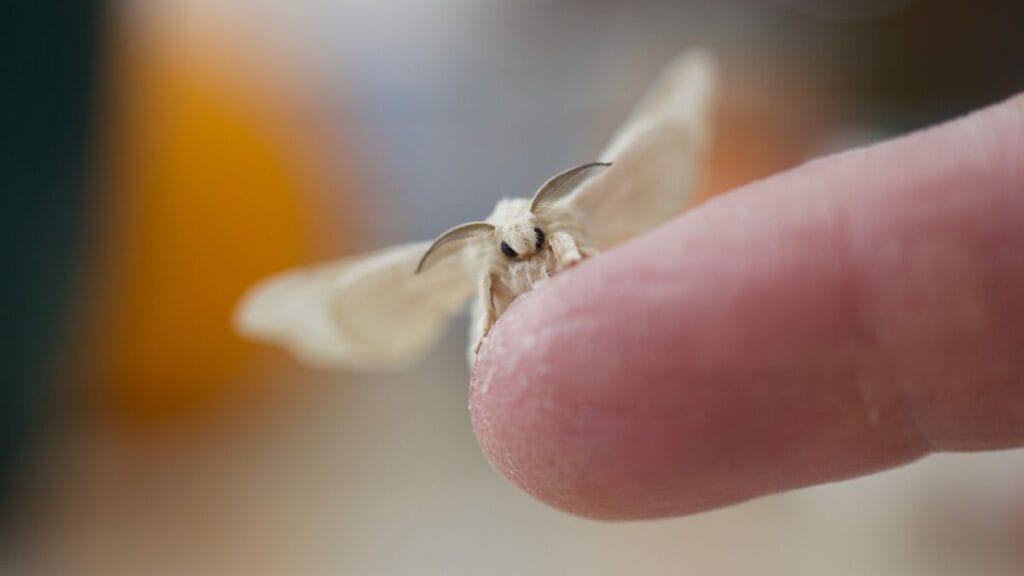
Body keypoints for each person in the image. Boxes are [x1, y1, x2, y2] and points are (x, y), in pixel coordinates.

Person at [469, 94, 1024, 520]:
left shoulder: (560, 230)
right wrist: (487, 330)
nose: (528, 252)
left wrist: (574, 264)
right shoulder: (493, 261)